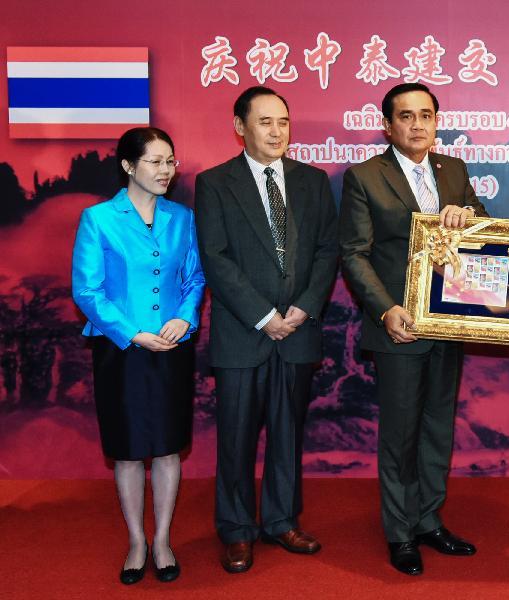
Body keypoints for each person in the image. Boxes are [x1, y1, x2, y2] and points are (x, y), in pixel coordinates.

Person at [339, 82, 488, 576]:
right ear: (388, 125)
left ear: (436, 122)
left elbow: (484, 229)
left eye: (426, 115)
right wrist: (385, 310)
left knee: (437, 427)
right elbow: (354, 254)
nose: (417, 124)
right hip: (398, 325)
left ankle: (429, 520)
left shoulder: (454, 170)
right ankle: (400, 532)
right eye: (406, 116)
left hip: (448, 320)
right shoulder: (364, 176)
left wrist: (469, 215)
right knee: (401, 433)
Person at [194, 86, 339, 573]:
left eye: (283, 122)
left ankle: (281, 520)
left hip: (297, 330)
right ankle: (237, 530)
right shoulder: (216, 183)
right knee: (235, 437)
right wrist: (263, 316)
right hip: (244, 332)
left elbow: (327, 250)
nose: (277, 132)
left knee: (287, 433)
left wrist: (305, 307)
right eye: (265, 122)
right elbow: (216, 257)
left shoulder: (312, 181)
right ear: (240, 127)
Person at [72, 127, 205, 585]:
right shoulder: (98, 219)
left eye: (170, 161)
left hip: (172, 346)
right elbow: (87, 290)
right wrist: (133, 333)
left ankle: (163, 539)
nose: (166, 170)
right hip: (120, 349)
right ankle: (136, 540)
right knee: (127, 451)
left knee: (167, 447)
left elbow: (194, 279)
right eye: (155, 161)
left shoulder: (182, 218)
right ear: (129, 166)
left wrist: (185, 319)